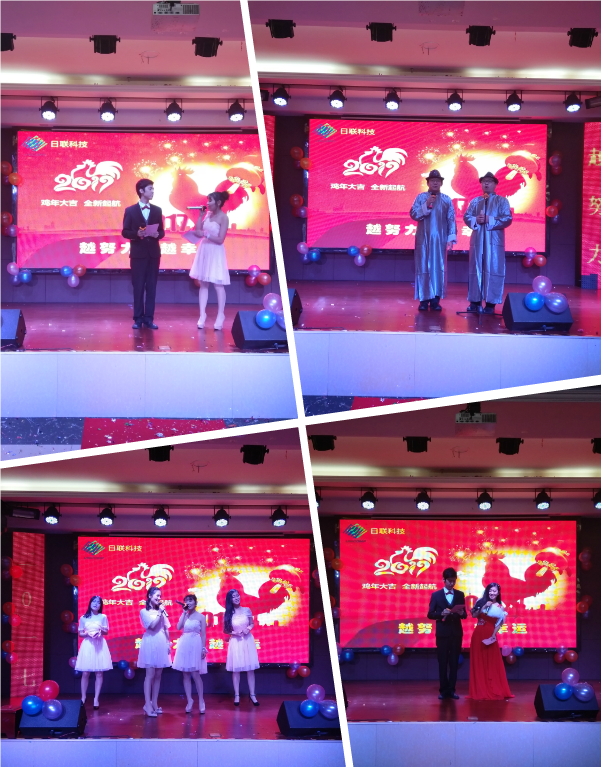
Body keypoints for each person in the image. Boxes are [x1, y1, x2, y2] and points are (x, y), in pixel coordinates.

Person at [463, 171, 513, 314]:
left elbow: (507, 219)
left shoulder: (502, 201)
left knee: (493, 269)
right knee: (476, 269)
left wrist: (489, 219)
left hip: (494, 242)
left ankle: (491, 304)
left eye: (489, 181)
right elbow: (467, 216)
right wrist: (475, 220)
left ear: (495, 184)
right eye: (484, 181)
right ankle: (474, 301)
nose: (486, 183)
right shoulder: (475, 201)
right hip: (478, 241)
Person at [409, 169, 457, 311]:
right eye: (432, 181)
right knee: (423, 267)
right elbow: (414, 214)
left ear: (441, 183)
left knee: (438, 268)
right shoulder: (421, 197)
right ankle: (423, 300)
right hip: (423, 239)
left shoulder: (447, 199)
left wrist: (450, 238)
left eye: (437, 181)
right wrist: (426, 204)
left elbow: (451, 219)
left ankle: (435, 300)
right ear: (428, 183)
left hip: (440, 240)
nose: (435, 183)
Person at [122, 179, 165, 330]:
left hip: (153, 254)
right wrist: (137, 234)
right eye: (150, 189)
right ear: (141, 191)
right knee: (138, 287)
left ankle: (149, 319)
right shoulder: (130, 210)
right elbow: (125, 232)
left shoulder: (157, 210)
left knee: (152, 287)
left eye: (153, 189)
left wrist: (157, 235)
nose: (153, 191)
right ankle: (138, 318)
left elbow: (162, 231)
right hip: (138, 255)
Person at [189, 190, 231, 330]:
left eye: (210, 201)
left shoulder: (223, 218)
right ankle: (202, 315)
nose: (207, 203)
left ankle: (220, 315)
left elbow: (220, 239)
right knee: (203, 284)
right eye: (207, 200)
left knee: (218, 284)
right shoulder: (207, 214)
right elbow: (197, 232)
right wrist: (201, 216)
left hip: (215, 251)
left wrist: (206, 235)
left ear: (218, 203)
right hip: (204, 249)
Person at [468, 583, 514, 700]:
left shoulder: (500, 607)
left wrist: (493, 636)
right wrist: (484, 606)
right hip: (478, 634)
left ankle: (492, 688)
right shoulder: (480, 601)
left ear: (498, 593)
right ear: (487, 591)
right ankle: (480, 689)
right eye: (490, 590)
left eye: (494, 591)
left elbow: (499, 624)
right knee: (479, 662)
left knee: (491, 662)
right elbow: (474, 615)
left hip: (490, 635)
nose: (492, 593)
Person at [427, 567, 466, 699]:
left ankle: (452, 690)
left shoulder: (460, 594)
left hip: (456, 633)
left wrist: (462, 613)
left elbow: (465, 615)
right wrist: (440, 614)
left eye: (454, 581)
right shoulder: (436, 595)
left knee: (454, 663)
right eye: (449, 581)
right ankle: (443, 690)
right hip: (442, 633)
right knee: (442, 662)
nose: (452, 583)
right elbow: (430, 614)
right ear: (444, 580)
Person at [137, 586, 171, 717]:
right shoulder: (144, 611)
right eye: (157, 595)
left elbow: (166, 628)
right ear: (149, 596)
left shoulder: (161, 611)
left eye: (160, 595)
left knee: (158, 675)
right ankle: (147, 704)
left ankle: (155, 703)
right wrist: (159, 613)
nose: (159, 598)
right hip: (150, 642)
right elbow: (151, 626)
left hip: (161, 642)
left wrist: (168, 643)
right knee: (150, 674)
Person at [223, 588, 260, 706]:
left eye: (237, 595)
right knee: (236, 670)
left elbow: (252, 623)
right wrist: (235, 633)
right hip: (236, 641)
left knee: (250, 669)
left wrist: (248, 629)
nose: (236, 598)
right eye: (233, 596)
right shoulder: (228, 613)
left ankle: (252, 695)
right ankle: (237, 695)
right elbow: (225, 630)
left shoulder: (247, 610)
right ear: (230, 599)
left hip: (248, 640)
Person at [172, 594, 207, 713]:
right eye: (186, 601)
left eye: (190, 600)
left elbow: (203, 634)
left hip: (196, 644)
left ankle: (201, 700)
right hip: (184, 645)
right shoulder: (185, 615)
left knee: (196, 674)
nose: (188, 603)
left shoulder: (201, 617)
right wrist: (183, 613)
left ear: (195, 603)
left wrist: (203, 648)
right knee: (185, 675)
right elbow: (178, 627)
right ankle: (189, 700)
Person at [75, 595, 112, 709]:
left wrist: (100, 631)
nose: (96, 604)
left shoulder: (103, 617)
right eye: (94, 601)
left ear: (101, 605)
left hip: (99, 644)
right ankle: (83, 697)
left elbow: (106, 631)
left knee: (99, 673)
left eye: (98, 602)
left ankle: (96, 699)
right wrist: (87, 634)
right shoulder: (83, 618)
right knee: (85, 672)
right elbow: (80, 633)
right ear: (90, 603)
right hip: (88, 644)